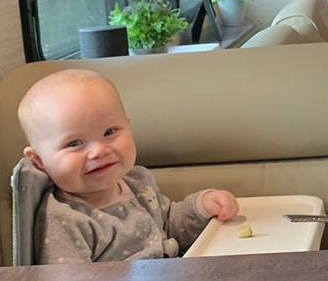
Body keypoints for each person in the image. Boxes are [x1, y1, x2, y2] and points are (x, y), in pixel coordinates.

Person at [16, 68, 239, 263]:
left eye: (109, 132)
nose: (98, 151)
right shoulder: (65, 219)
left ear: (128, 126)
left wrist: (201, 207)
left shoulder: (137, 182)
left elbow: (169, 225)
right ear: (39, 161)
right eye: (74, 143)